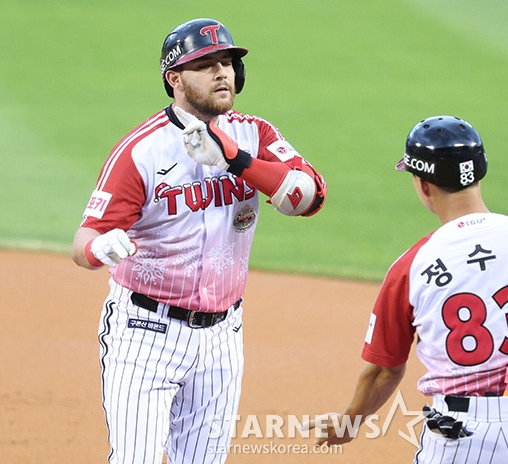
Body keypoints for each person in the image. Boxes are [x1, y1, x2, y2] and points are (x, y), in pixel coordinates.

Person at [71, 17, 326, 464]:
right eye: (206, 64)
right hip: (144, 333)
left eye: (226, 62)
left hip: (222, 337)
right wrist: (101, 249)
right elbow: (84, 241)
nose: (222, 72)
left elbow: (309, 197)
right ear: (175, 79)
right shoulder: (142, 150)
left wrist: (236, 159)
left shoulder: (254, 134)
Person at [306, 116, 508, 463]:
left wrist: (350, 421)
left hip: (457, 437)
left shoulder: (411, 266)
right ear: (479, 171)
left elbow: (384, 370)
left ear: (424, 184)